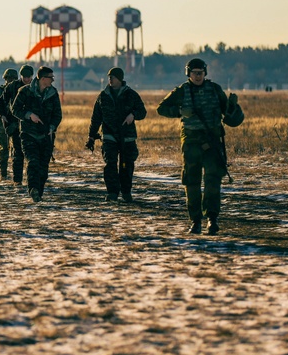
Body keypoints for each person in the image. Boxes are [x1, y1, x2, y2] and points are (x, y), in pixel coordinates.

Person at [156, 58, 244, 235]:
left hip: (212, 141)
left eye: (200, 73)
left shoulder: (214, 89)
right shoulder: (182, 91)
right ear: (188, 73)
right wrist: (180, 111)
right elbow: (162, 108)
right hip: (191, 143)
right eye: (194, 73)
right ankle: (195, 221)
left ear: (205, 73)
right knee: (192, 182)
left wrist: (233, 107)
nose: (197, 76)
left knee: (213, 181)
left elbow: (230, 116)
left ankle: (212, 219)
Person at [86, 67, 147, 203]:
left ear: (119, 79)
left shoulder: (131, 94)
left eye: (112, 77)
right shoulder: (103, 96)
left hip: (127, 136)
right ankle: (112, 192)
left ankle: (126, 192)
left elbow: (142, 111)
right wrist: (91, 135)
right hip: (109, 135)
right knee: (110, 164)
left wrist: (133, 115)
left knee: (127, 165)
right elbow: (96, 117)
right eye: (109, 77)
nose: (110, 80)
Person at [10, 67, 61, 202]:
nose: (52, 80)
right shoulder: (25, 92)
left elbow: (58, 114)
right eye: (51, 77)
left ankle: (39, 191)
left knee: (43, 166)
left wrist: (52, 127)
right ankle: (33, 189)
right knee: (33, 162)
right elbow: (15, 109)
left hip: (46, 135)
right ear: (43, 78)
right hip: (29, 134)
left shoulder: (53, 93)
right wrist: (29, 115)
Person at [0, 64, 34, 187]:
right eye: (24, 77)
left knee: (32, 155)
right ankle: (17, 180)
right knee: (18, 154)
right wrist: (4, 116)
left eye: (28, 77)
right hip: (16, 125)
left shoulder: (36, 87)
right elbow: (1, 103)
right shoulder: (12, 87)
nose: (26, 79)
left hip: (32, 126)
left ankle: (33, 181)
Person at [0, 68, 19, 180]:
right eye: (9, 78)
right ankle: (3, 173)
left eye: (13, 79)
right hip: (3, 122)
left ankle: (15, 173)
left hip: (15, 122)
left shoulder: (19, 90)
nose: (11, 81)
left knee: (16, 148)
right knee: (4, 147)